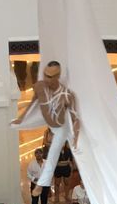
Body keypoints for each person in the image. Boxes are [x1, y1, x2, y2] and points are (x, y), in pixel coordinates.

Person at [13, 61, 80, 196]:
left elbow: (75, 118)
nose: (49, 79)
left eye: (53, 76)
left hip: (62, 127)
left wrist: (76, 138)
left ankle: (41, 186)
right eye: (47, 76)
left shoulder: (67, 95)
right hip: (48, 121)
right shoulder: (39, 87)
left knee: (54, 154)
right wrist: (21, 118)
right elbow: (32, 105)